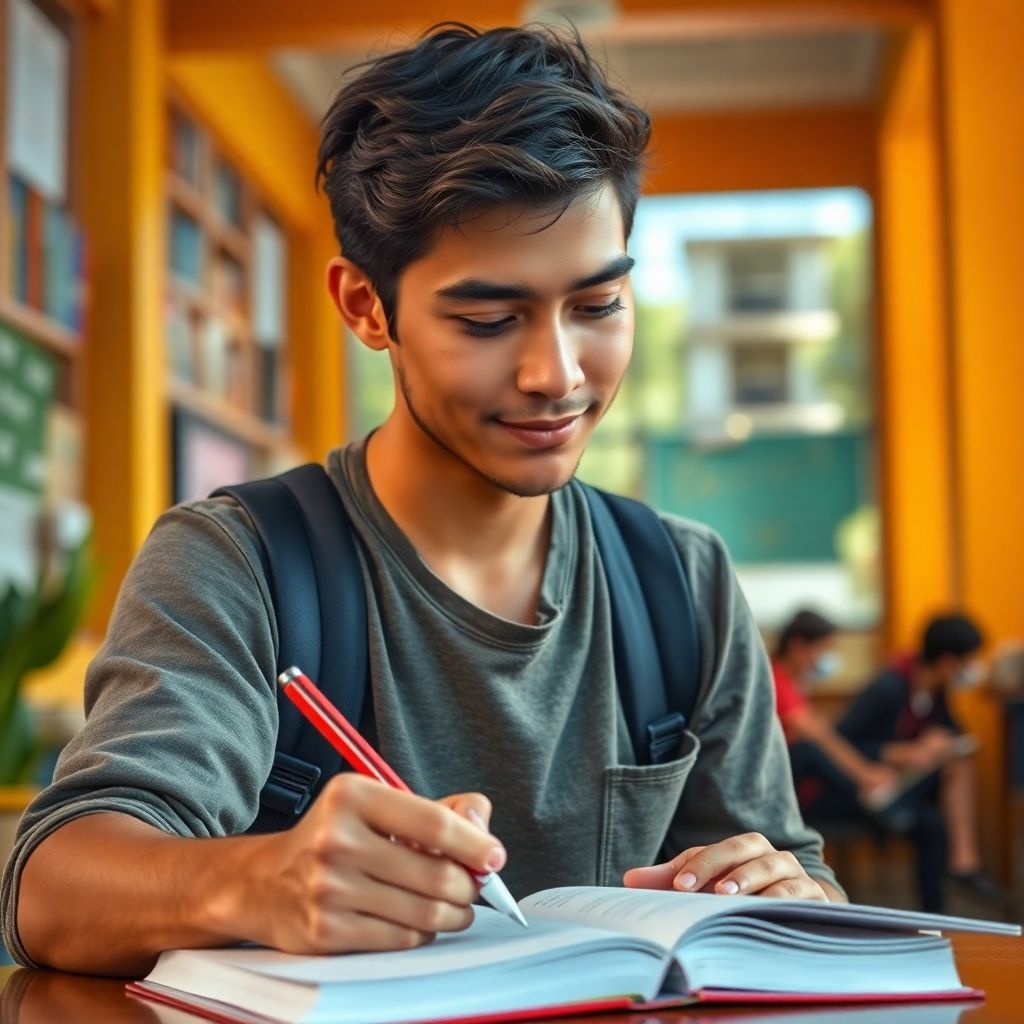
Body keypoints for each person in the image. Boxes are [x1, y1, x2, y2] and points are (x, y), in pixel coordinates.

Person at [0, 23, 842, 977]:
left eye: (598, 306)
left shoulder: (680, 582)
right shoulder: (241, 563)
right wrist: (259, 882)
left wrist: (789, 896)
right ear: (366, 307)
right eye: (488, 319)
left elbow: (794, 877)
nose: (556, 374)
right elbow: (53, 891)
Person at [838, 613, 1003, 910]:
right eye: (969, 661)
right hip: (866, 791)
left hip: (908, 789)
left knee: (935, 822)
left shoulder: (936, 691)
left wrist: (940, 742)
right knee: (952, 777)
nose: (972, 669)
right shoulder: (888, 687)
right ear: (948, 662)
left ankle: (938, 911)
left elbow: (954, 731)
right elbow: (842, 745)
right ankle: (964, 861)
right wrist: (907, 752)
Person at [771, 610, 898, 814]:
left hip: (792, 775)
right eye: (824, 649)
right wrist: (864, 773)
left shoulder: (797, 682)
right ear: (798, 646)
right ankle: (868, 801)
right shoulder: (775, 680)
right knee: (808, 750)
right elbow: (815, 733)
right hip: (774, 775)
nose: (827, 657)